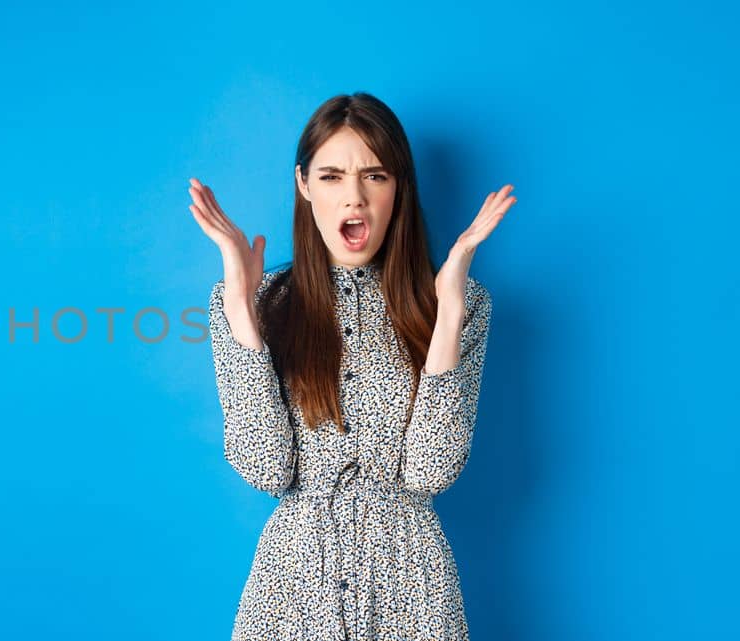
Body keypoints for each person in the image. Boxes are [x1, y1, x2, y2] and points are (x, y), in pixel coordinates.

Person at [187, 92, 515, 641]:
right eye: (333, 176)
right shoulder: (260, 303)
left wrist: (450, 309)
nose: (354, 198)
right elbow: (266, 470)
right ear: (304, 186)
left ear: (400, 188)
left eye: (376, 176)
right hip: (293, 593)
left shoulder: (460, 305)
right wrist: (241, 310)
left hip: (413, 590)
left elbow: (430, 472)